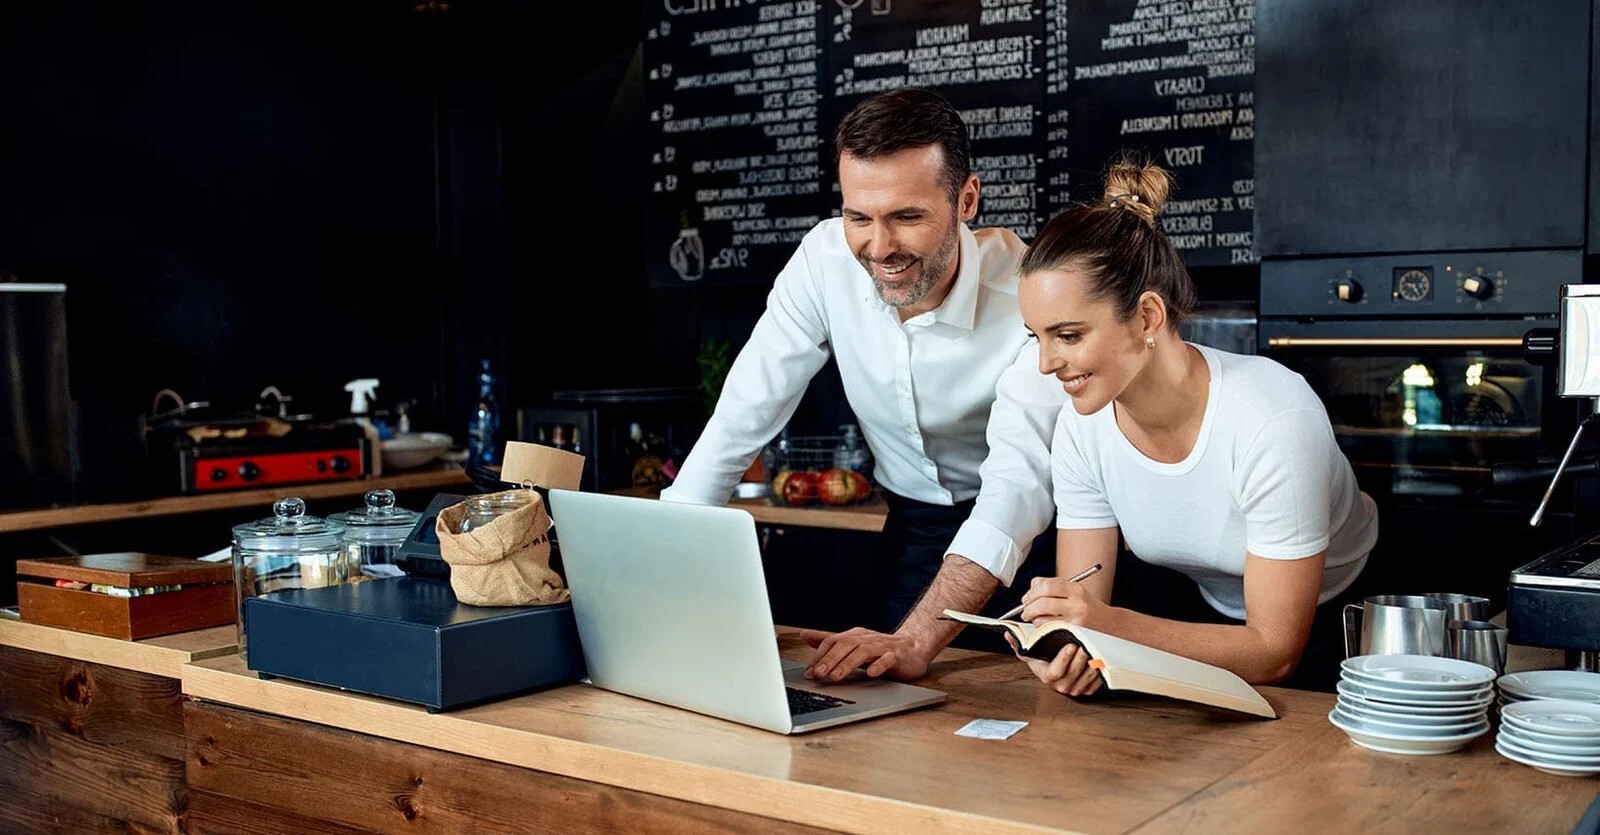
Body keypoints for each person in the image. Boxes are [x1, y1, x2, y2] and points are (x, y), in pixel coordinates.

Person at [659, 88, 1066, 677]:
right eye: (858, 217)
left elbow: (1015, 492)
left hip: (1032, 542)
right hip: (912, 528)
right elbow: (744, 410)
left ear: (966, 200)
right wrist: (663, 549)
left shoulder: (1029, 299)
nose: (879, 247)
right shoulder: (825, 261)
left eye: (907, 216)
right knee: (898, 716)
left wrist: (918, 641)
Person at [1009, 157, 1379, 693]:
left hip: (1343, 620)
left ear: (1148, 317)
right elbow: (1083, 602)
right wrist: (1070, 650)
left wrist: (1108, 629)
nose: (1045, 364)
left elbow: (1276, 654)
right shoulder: (1081, 428)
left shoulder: (1272, 418)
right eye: (1034, 337)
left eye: (1067, 336)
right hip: (1199, 610)